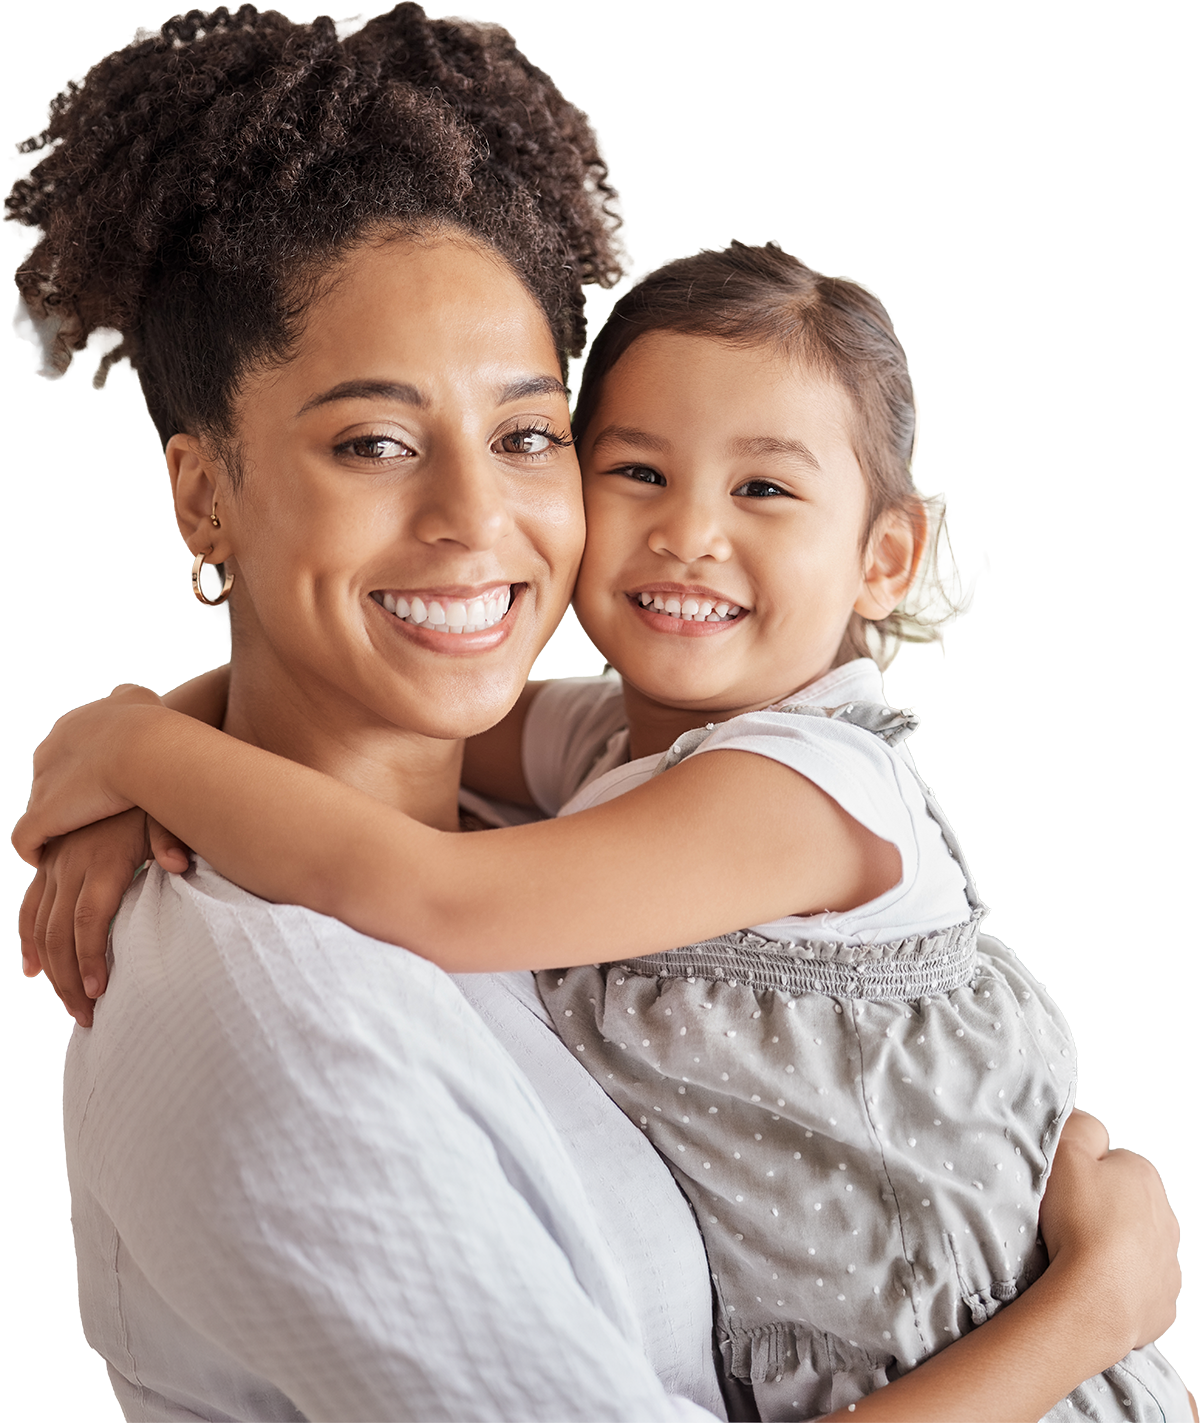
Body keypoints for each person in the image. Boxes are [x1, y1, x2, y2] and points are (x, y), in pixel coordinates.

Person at [10, 6, 1187, 1422]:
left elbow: (420, 865)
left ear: (886, 556)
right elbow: (406, 865)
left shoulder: (725, 792)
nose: (474, 518)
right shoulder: (282, 1018)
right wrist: (1098, 1303)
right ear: (205, 496)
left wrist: (130, 745)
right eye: (374, 441)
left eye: (525, 435)